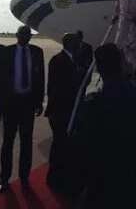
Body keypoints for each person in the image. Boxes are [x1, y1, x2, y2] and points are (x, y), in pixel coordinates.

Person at [69, 43, 136, 209]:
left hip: (102, 182)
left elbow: (81, 146)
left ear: (100, 69)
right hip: (128, 177)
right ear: (119, 64)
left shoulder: (94, 103)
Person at [0, 25, 45, 193]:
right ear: (17, 36)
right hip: (10, 104)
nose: (25, 37)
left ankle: (24, 178)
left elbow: (40, 79)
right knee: (7, 143)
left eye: (27, 34)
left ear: (30, 37)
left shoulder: (38, 52)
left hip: (28, 105)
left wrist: (39, 102)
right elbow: (0, 80)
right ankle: (4, 179)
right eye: (22, 34)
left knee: (26, 143)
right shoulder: (6, 52)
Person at [45, 33, 84, 190]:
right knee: (59, 144)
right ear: (70, 44)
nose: (80, 44)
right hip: (60, 111)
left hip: (70, 110)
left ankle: (62, 176)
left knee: (65, 146)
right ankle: (53, 178)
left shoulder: (75, 60)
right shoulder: (58, 60)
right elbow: (58, 87)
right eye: (77, 42)